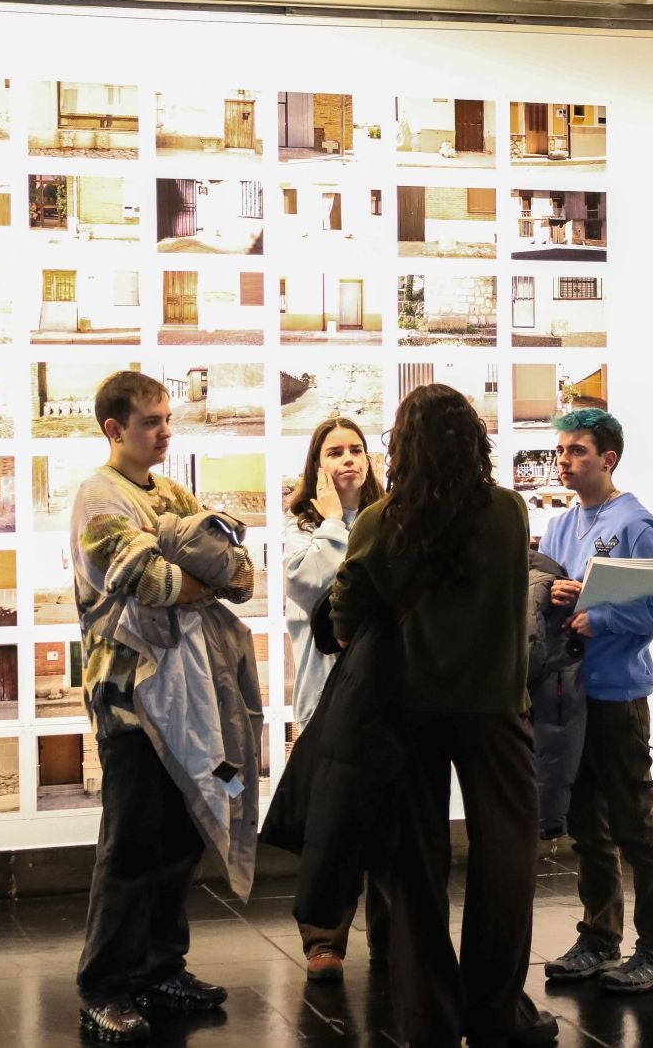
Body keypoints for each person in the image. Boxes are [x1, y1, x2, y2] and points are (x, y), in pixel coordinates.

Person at [329, 384, 557, 1048]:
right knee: (506, 860)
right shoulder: (509, 512)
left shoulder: (379, 521)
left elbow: (343, 622)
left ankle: (427, 1016)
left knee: (413, 868)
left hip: (407, 713)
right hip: (495, 710)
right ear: (473, 441)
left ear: (402, 446)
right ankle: (497, 1011)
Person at [71, 370, 256, 1044]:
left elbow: (238, 569)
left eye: (167, 418)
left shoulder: (171, 493)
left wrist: (205, 571)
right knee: (130, 842)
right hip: (129, 700)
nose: (165, 431)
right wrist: (198, 574)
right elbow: (154, 580)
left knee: (180, 836)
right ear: (115, 429)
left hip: (189, 699)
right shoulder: (99, 496)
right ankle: (105, 986)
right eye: (151, 422)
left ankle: (159, 968)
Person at [538, 408, 653, 994]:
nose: (565, 461)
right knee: (586, 827)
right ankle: (599, 939)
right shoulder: (558, 525)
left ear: (609, 459)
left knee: (635, 826)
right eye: (561, 451)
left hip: (618, 697)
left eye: (577, 451)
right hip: (568, 695)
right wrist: (549, 590)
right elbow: (548, 591)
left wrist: (602, 616)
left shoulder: (636, 524)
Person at [282, 417, 386, 982]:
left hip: (386, 688)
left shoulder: (388, 515)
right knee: (331, 823)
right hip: (325, 689)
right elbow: (310, 586)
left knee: (389, 818)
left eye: (356, 449)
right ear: (316, 464)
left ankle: (393, 934)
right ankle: (324, 940)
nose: (347, 460)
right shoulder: (301, 527)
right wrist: (329, 524)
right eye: (334, 452)